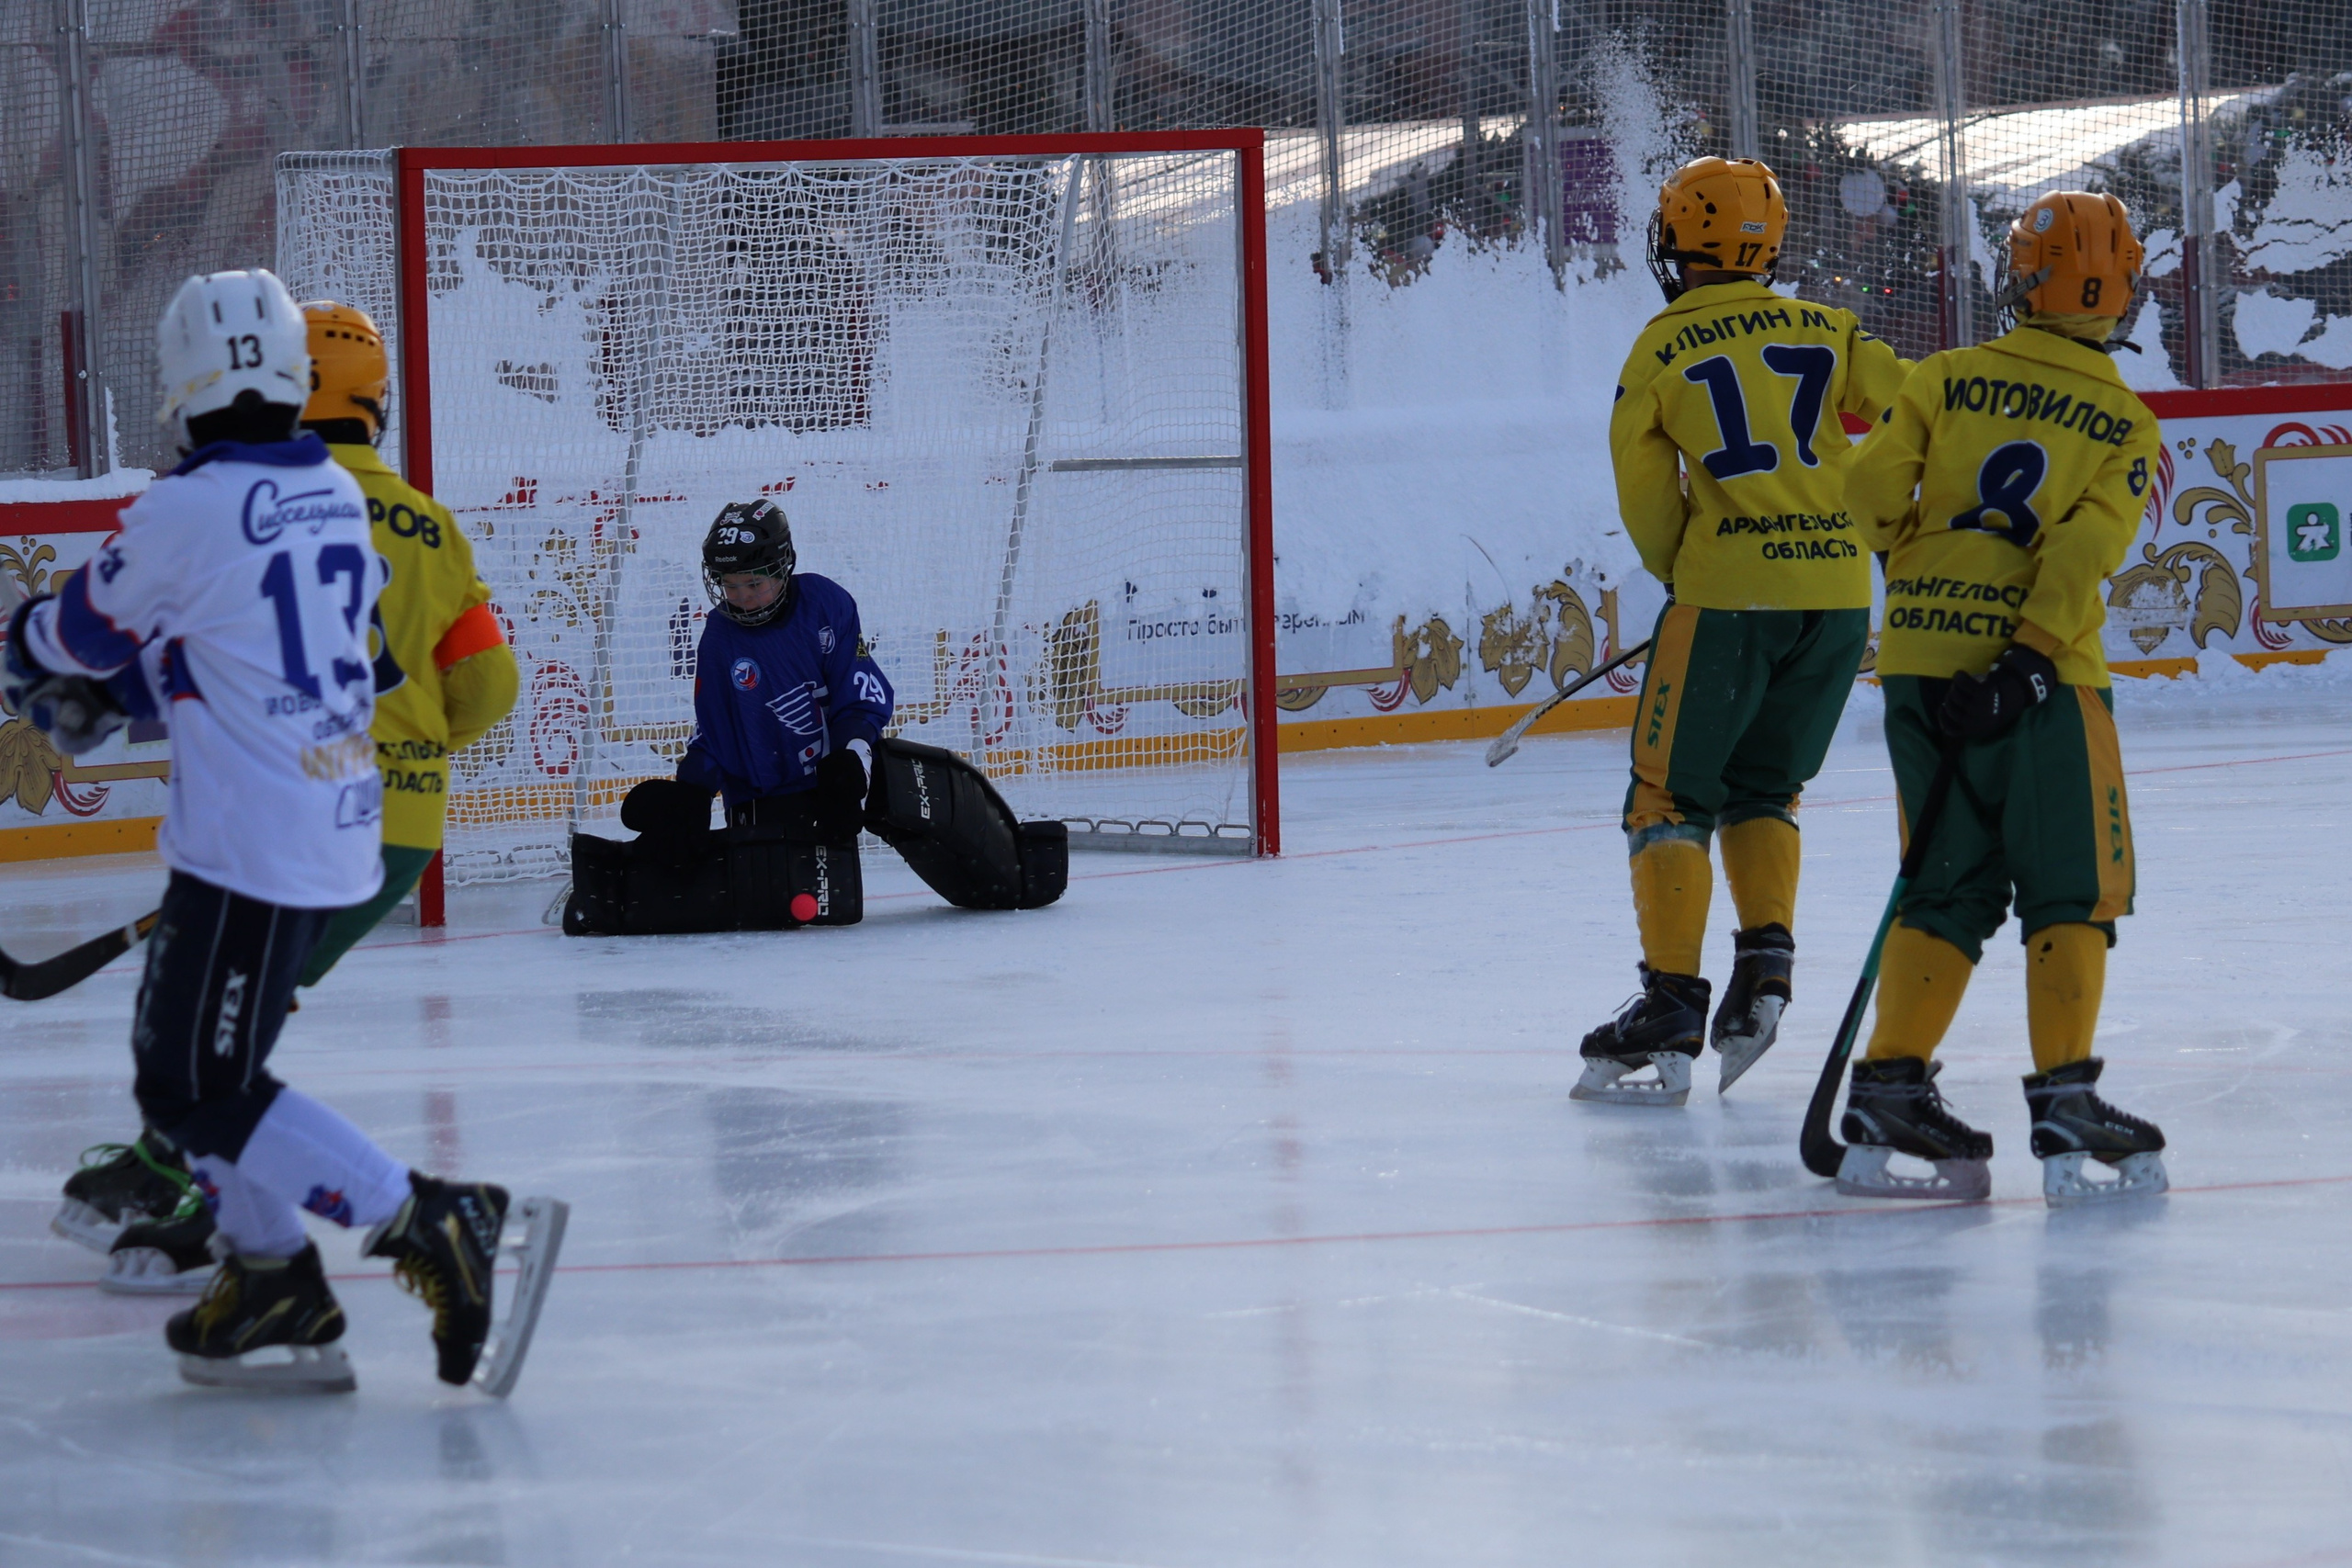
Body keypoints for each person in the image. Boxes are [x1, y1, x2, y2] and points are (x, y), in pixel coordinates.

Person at [4, 268, 558, 1391]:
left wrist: (51, 676)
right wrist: (134, 694)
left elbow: (58, 643)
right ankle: (272, 1284)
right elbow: (296, 650)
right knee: (208, 1071)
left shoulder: (185, 509)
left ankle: (430, 1219)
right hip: (326, 816)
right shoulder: (332, 494)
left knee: (197, 1087)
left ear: (179, 386)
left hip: (252, 837)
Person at [1837, 190, 2168, 1206]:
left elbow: (1864, 500)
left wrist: (1932, 574)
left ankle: (1890, 1088)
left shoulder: (1943, 377)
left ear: (2021, 278)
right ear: (2121, 294)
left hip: (1920, 663)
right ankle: (2065, 1098)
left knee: (1947, 880)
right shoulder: (2123, 419)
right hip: (2040, 681)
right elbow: (2080, 549)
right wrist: (2025, 656)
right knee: (2073, 885)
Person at [1577, 154, 1911, 1106]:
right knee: (1767, 786)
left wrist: (1693, 579)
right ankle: (1765, 967)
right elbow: (1908, 413)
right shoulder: (1828, 328)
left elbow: (1647, 502)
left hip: (1726, 600)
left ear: (1675, 245)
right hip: (1842, 599)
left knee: (1665, 797)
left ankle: (1672, 999)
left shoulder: (1659, 347)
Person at [568, 499, 1069, 932]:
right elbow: (716, 728)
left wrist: (852, 762)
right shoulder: (719, 637)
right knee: (777, 894)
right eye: (730, 585)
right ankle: (613, 894)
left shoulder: (824, 605)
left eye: (754, 584)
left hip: (840, 778)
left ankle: (1015, 872)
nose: (742, 597)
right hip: (768, 795)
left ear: (783, 568)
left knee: (912, 788)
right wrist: (693, 792)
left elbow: (859, 695)